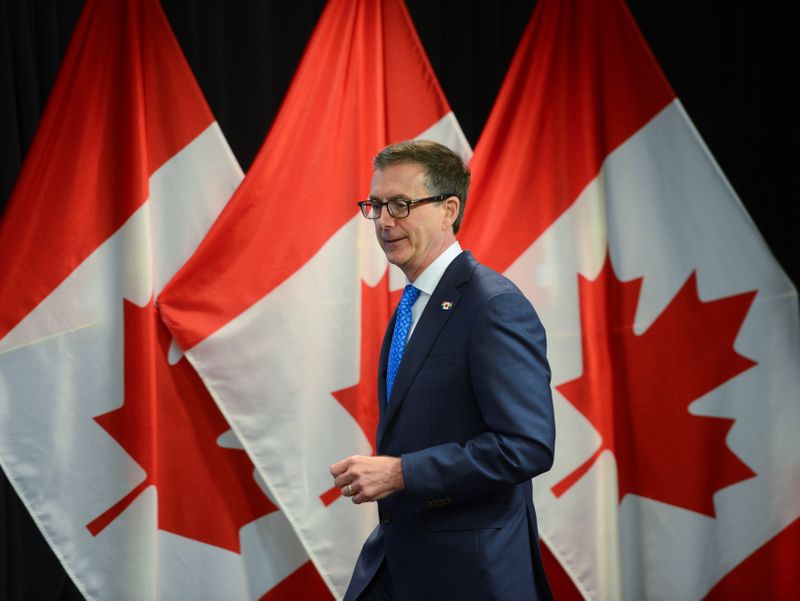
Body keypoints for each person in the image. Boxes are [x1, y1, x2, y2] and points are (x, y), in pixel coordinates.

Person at [330, 140, 555, 601]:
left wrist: (402, 473)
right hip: (400, 559)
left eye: (400, 205)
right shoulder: (412, 305)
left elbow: (526, 446)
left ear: (448, 208)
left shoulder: (494, 305)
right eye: (376, 206)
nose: (385, 221)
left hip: (472, 576)